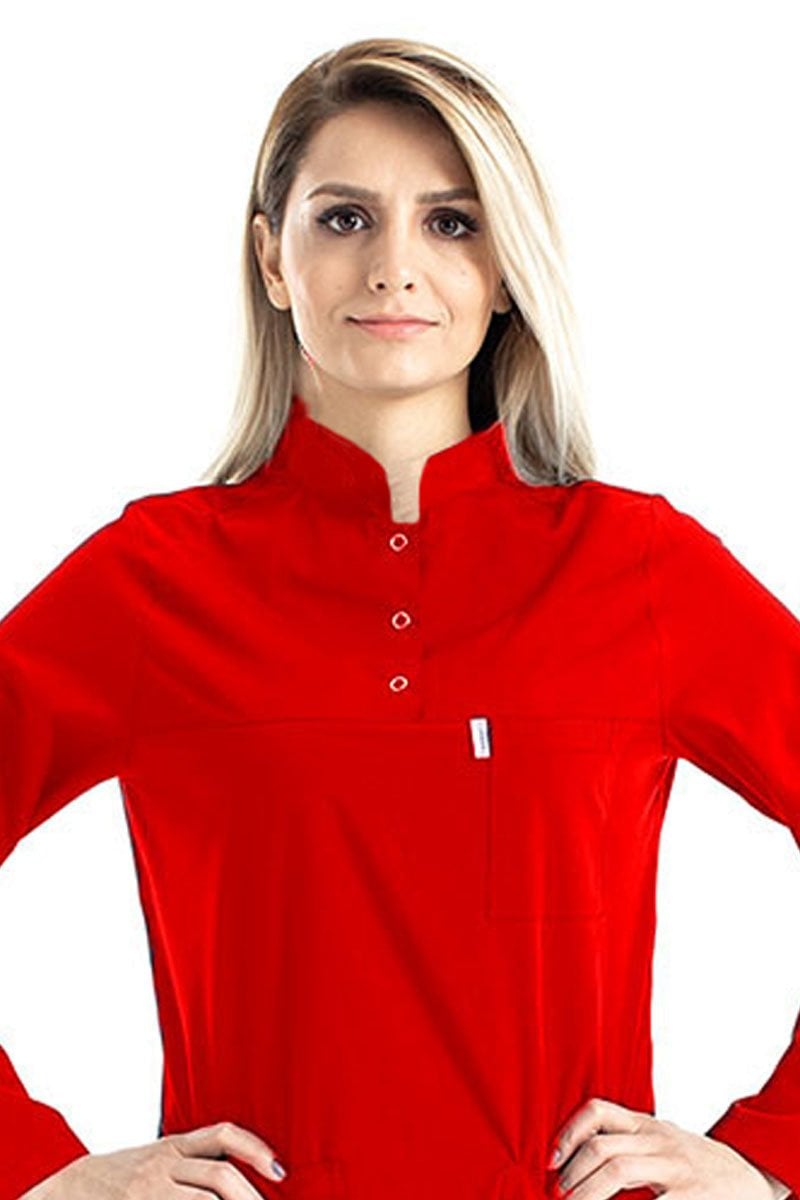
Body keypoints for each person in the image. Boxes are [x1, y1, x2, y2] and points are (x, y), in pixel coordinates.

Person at [3, 34, 798, 1200]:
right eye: (342, 219)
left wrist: (770, 1152)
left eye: (451, 222)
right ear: (272, 259)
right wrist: (35, 1168)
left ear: (505, 268)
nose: (393, 268)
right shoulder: (152, 580)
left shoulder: (637, 568)